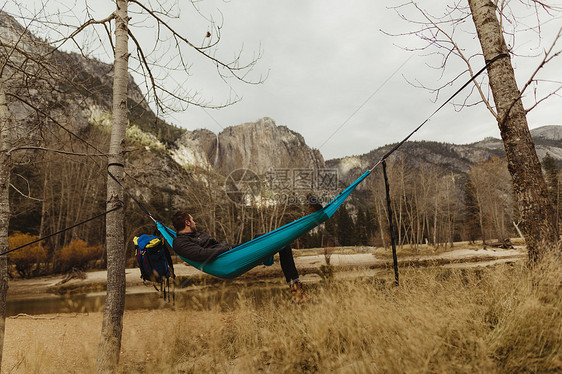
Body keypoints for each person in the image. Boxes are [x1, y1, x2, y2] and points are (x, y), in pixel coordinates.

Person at [171, 210, 306, 301]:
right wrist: (226, 250)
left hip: (233, 252)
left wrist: (228, 248)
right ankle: (298, 293)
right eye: (192, 220)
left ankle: (296, 290)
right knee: (278, 242)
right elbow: (201, 254)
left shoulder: (198, 234)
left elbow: (214, 245)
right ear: (187, 223)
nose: (195, 222)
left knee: (279, 243)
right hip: (225, 260)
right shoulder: (180, 242)